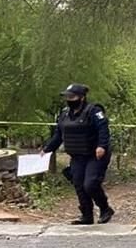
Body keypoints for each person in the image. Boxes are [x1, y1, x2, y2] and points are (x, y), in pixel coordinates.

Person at [42, 83, 115, 225]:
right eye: (67, 97)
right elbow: (58, 136)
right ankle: (87, 215)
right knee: (79, 185)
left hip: (95, 154)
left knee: (91, 184)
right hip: (77, 155)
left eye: (72, 97)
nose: (69, 99)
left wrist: (101, 146)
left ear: (82, 98)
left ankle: (105, 209)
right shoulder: (64, 115)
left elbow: (103, 129)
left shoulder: (94, 111)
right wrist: (47, 150)